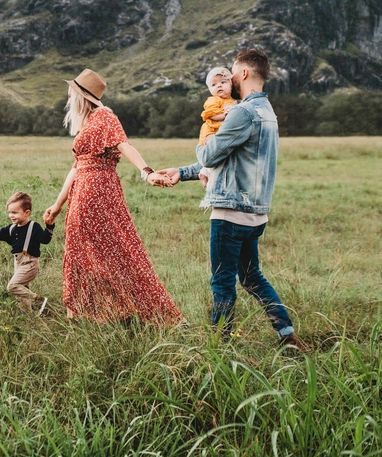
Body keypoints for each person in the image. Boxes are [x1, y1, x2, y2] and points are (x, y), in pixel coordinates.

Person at [157, 48, 309, 352]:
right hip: (255, 214)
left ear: (244, 73)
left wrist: (204, 141)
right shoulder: (267, 111)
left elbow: (212, 154)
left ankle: (219, 346)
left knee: (221, 281)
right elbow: (231, 158)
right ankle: (287, 335)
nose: (228, 79)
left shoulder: (242, 112)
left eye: (232, 72)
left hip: (230, 213)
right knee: (252, 277)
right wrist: (182, 172)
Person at [43, 68, 185, 325]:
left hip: (97, 191)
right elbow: (76, 167)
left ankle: (137, 311)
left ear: (81, 95)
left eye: (71, 90)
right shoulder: (87, 123)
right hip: (82, 190)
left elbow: (124, 145)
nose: (67, 94)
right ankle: (88, 313)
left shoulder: (104, 116)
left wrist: (147, 172)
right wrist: (57, 204)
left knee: (116, 250)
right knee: (81, 250)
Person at [0, 191, 53, 316]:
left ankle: (38, 301)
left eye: (14, 212)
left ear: (27, 213)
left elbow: (45, 240)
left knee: (13, 286)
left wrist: (49, 226)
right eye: (9, 212)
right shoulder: (11, 228)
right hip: (18, 262)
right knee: (22, 291)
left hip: (30, 263)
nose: (11, 215)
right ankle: (28, 315)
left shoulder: (33, 227)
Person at [198, 67, 236, 186]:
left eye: (223, 82)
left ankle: (204, 172)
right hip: (211, 131)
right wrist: (224, 115)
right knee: (214, 151)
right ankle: (207, 174)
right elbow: (210, 114)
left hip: (220, 131)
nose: (219, 86)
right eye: (214, 84)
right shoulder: (213, 100)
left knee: (220, 154)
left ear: (231, 85)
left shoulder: (232, 101)